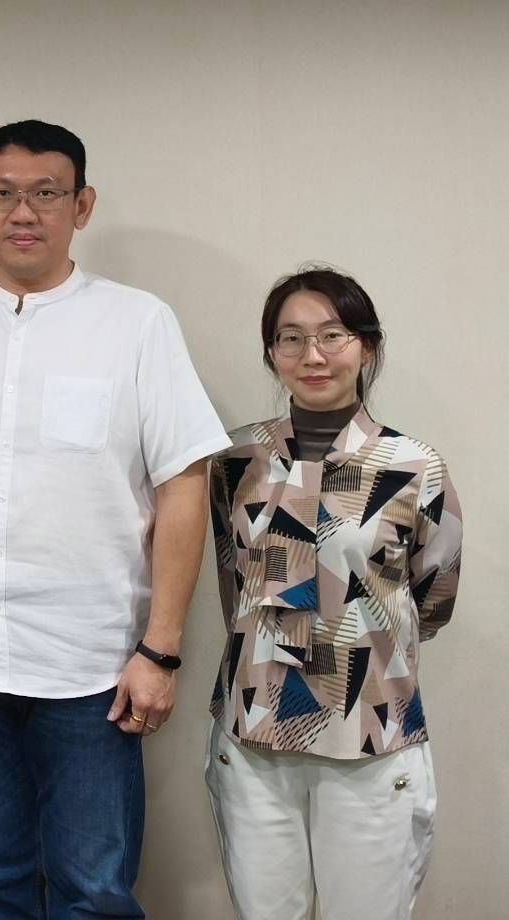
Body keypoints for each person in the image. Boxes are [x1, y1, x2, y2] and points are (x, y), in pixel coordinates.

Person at [0, 119, 230, 918]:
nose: (24, 212)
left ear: (82, 205)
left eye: (46, 193)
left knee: (93, 891)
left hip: (95, 667)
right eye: (3, 194)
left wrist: (162, 648)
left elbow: (184, 483)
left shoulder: (137, 322)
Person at [206, 267, 460, 920]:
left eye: (332, 335)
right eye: (290, 338)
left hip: (368, 737)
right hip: (253, 733)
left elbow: (433, 596)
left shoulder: (414, 466)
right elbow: (232, 580)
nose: (312, 355)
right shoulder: (234, 460)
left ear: (366, 347)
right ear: (271, 352)